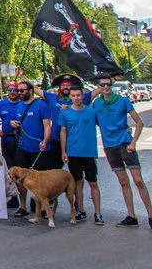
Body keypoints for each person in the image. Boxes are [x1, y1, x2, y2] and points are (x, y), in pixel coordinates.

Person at [91, 76, 151, 228]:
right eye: (102, 85)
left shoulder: (123, 100)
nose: (106, 87)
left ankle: (150, 215)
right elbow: (88, 118)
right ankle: (131, 216)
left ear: (112, 85)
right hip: (109, 147)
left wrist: (133, 142)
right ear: (98, 86)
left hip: (125, 144)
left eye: (108, 84)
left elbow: (139, 122)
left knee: (138, 180)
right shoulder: (97, 104)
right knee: (123, 181)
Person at [59, 86, 102, 225]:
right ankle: (81, 211)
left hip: (89, 153)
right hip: (73, 153)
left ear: (83, 96)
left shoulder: (91, 111)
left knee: (93, 183)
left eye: (79, 95)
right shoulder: (65, 113)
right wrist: (63, 151)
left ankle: (98, 213)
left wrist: (124, 127)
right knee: (77, 183)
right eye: (73, 95)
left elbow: (104, 123)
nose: (76, 98)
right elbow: (63, 132)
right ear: (70, 97)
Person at [12, 79, 53, 218]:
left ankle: (42, 209)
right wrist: (13, 124)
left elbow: (47, 125)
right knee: (20, 179)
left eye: (22, 90)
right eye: (18, 90)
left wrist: (45, 141)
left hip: (39, 148)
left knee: (39, 180)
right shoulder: (18, 106)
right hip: (22, 147)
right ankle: (23, 206)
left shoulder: (41, 105)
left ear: (30, 91)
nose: (19, 93)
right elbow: (17, 122)